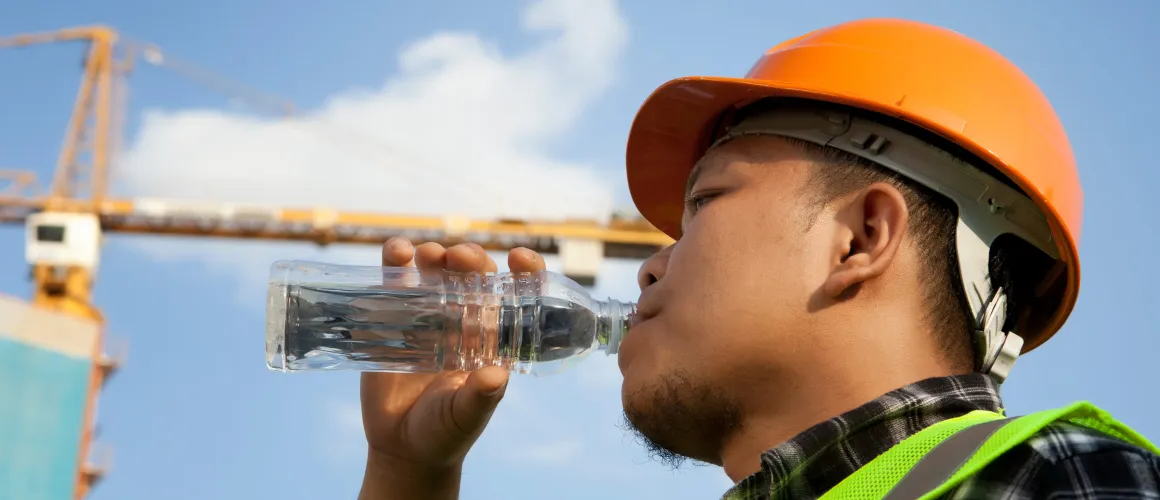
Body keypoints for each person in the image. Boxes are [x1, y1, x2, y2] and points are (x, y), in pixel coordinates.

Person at [355, 18, 1160, 500]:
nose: (649, 270)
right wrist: (407, 476)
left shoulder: (1058, 479)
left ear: (859, 240)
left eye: (704, 203)